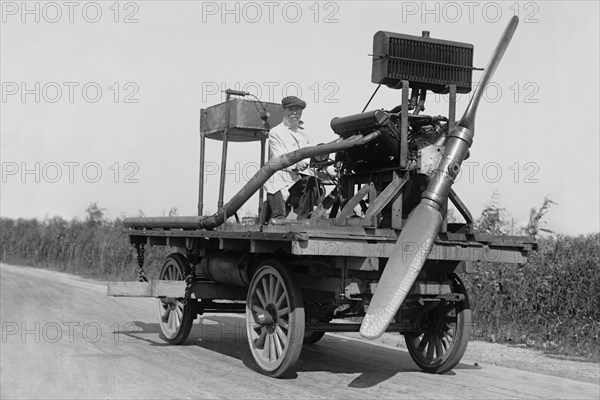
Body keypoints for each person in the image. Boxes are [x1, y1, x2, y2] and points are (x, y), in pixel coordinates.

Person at [263, 96, 321, 220]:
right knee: (272, 180)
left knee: (312, 180)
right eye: (291, 109)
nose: (295, 112)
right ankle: (278, 217)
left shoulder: (308, 134)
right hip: (283, 176)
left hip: (301, 179)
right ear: (284, 111)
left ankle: (304, 219)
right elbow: (279, 156)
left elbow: (315, 156)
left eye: (298, 109)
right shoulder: (276, 132)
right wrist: (295, 165)